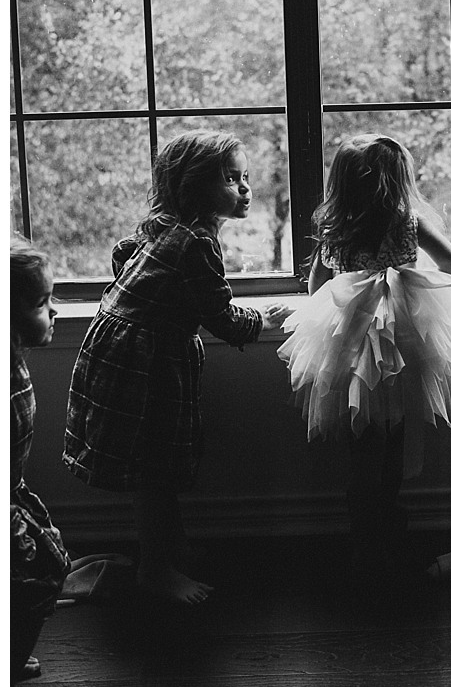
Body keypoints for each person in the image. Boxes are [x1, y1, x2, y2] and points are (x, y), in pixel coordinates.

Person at [61, 129, 291, 606]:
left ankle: (173, 547)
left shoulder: (162, 225)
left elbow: (123, 253)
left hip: (123, 349)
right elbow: (220, 315)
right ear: (193, 186)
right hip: (144, 364)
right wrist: (261, 321)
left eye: (245, 177)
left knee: (157, 464)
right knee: (153, 469)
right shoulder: (196, 243)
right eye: (231, 179)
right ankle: (155, 568)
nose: (245, 188)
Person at [277, 133, 451, 575]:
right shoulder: (407, 221)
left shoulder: (335, 229)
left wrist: (355, 290)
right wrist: (407, 280)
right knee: (393, 440)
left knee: (362, 444)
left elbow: (317, 288)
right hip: (401, 343)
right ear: (397, 180)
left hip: (351, 345)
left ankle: (365, 537)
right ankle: (388, 530)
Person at [12, 239, 67, 687]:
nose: (53, 312)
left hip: (12, 492)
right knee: (31, 584)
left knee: (43, 571)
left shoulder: (15, 360)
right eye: (38, 304)